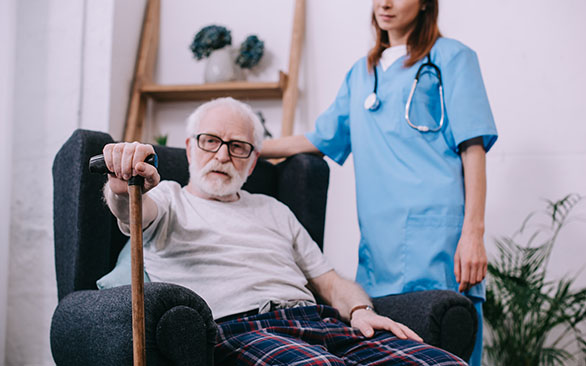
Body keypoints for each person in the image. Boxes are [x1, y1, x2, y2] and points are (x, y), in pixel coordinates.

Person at [101, 97, 467, 365]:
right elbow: (131, 212)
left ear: (254, 160)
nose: (223, 155)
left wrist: (359, 309)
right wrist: (121, 185)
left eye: (238, 147)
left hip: (319, 323)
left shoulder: (274, 209)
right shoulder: (168, 199)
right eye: (210, 140)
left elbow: (329, 281)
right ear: (189, 147)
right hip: (241, 330)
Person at [261, 1, 498, 365]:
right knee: (383, 350)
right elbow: (318, 139)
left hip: (438, 235)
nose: (384, 3)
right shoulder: (361, 73)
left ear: (423, 4)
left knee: (448, 341)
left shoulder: (453, 58)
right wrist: (241, 145)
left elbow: (473, 147)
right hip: (378, 247)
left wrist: (473, 234)